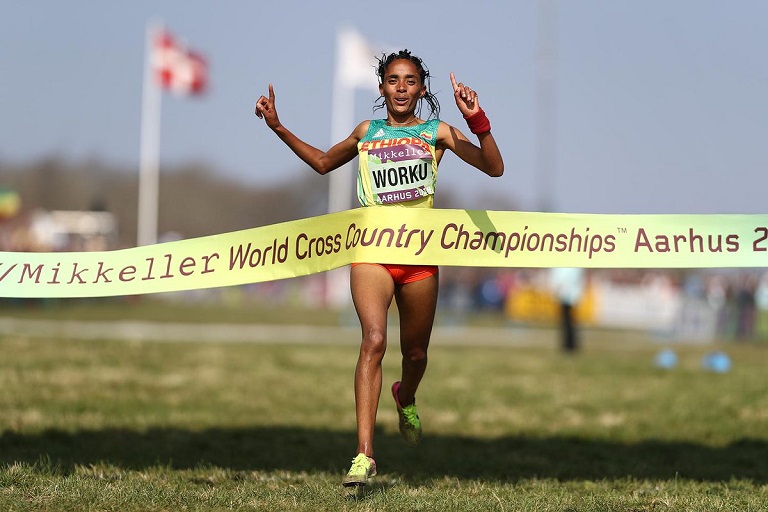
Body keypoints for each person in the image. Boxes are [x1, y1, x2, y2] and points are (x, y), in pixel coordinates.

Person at [254, 49, 504, 487]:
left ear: (422, 89)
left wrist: (476, 119)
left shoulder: (437, 132)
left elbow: (494, 168)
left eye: (410, 80)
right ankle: (364, 455)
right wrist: (278, 126)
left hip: (420, 259)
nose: (401, 87)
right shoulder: (367, 132)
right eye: (393, 80)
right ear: (382, 87)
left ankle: (405, 396)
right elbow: (323, 163)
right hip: (371, 252)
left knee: (415, 354)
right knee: (373, 340)